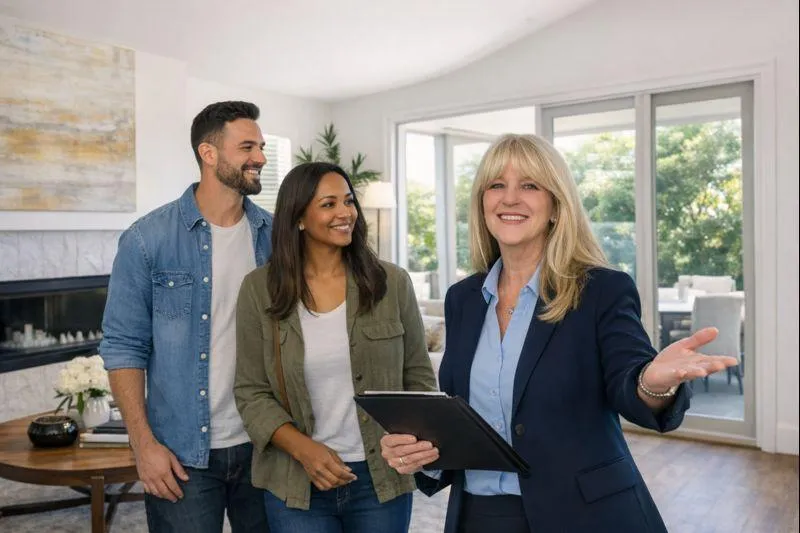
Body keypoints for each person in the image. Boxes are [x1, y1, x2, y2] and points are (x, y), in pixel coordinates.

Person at [379, 134, 739, 533]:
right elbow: (465, 417)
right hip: (479, 516)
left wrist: (651, 383)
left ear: (555, 205)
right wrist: (421, 455)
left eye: (529, 185)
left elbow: (629, 385)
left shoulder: (602, 289)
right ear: (482, 203)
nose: (510, 198)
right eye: (496, 185)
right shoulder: (463, 299)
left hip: (584, 515)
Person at [234, 161, 437, 533]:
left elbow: (419, 378)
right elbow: (251, 391)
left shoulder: (392, 282)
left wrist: (416, 443)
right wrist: (302, 448)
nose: (345, 213)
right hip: (296, 483)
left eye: (348, 202)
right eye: (329, 204)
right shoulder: (258, 290)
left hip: (380, 480)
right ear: (298, 217)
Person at [100, 101, 273, 532]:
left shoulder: (276, 237)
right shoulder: (146, 239)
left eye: (262, 146)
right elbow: (124, 347)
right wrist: (143, 446)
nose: (261, 158)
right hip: (181, 455)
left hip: (267, 446)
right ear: (208, 154)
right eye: (247, 146)